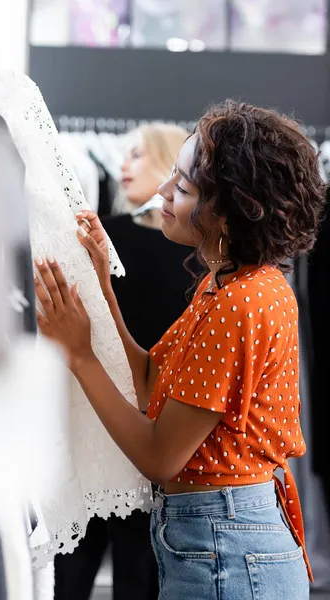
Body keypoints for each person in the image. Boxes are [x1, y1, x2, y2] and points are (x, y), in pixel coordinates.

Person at [34, 100, 326, 600]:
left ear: (232, 213)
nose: (165, 192)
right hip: (218, 539)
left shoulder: (239, 302)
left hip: (229, 548)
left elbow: (160, 456)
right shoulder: (229, 284)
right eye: (173, 175)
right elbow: (150, 381)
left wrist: (81, 355)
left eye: (185, 187)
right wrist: (104, 286)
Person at [54, 122, 191, 600]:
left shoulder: (201, 260)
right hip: (98, 410)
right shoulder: (103, 238)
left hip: (158, 420)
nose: (123, 166)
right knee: (77, 554)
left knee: (137, 559)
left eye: (137, 155)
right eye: (124, 155)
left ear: (170, 166)